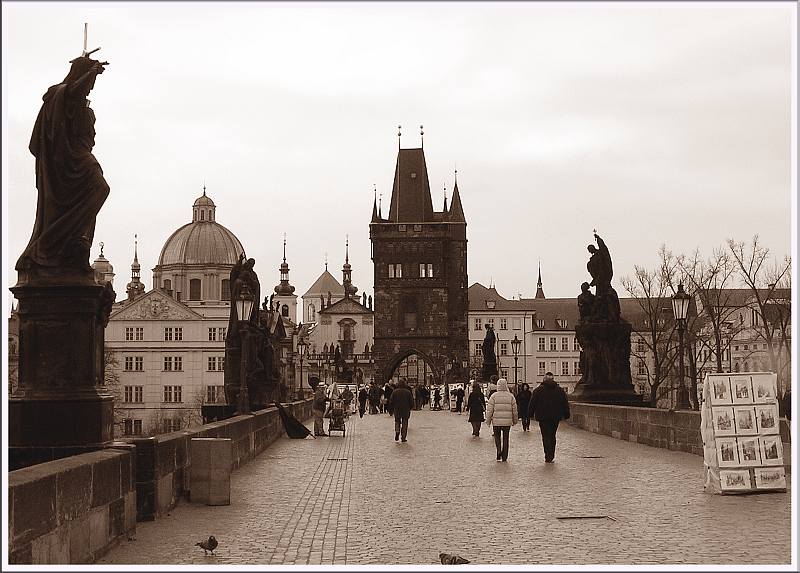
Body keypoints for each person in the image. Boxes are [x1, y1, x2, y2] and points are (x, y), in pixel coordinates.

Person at [528, 372, 571, 463]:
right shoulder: (560, 390)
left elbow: (532, 403)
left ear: (544, 380)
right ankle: (552, 454)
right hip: (555, 416)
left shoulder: (538, 390)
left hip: (543, 416)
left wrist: (530, 414)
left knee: (545, 435)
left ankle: (548, 455)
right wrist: (567, 414)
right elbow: (565, 403)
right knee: (552, 435)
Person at [485, 378, 518, 462]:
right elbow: (514, 410)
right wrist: (515, 420)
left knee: (497, 437)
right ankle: (505, 456)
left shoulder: (494, 396)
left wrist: (488, 421)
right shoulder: (511, 396)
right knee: (506, 438)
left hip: (496, 422)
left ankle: (499, 450)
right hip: (507, 422)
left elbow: (489, 410)